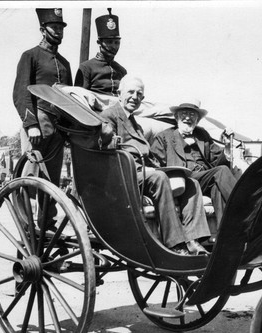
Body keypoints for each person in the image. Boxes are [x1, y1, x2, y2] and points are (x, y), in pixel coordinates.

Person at [99, 76, 210, 255]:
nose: (135, 97)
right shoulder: (109, 116)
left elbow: (148, 154)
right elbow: (105, 146)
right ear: (119, 94)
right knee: (159, 177)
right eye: (131, 92)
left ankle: (192, 240)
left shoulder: (136, 124)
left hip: (142, 171)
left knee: (191, 183)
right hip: (122, 172)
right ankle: (175, 243)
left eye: (139, 94)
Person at [13, 8, 72, 225]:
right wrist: (31, 125)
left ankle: (46, 227)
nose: (58, 32)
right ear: (42, 29)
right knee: (30, 178)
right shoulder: (30, 56)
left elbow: (69, 99)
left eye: (61, 28)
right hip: (38, 124)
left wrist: (67, 131)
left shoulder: (64, 63)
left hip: (57, 130)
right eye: (54, 28)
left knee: (51, 183)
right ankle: (26, 226)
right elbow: (21, 93)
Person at [150, 99, 237, 228]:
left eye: (192, 115)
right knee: (222, 170)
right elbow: (156, 164)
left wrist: (228, 147)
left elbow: (217, 160)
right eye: (184, 113)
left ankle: (224, 238)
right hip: (184, 179)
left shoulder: (202, 135)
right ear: (176, 117)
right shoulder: (164, 137)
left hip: (205, 179)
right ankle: (245, 206)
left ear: (197, 119)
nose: (187, 118)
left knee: (217, 189)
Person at [74, 9, 127, 96]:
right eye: (109, 42)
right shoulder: (87, 68)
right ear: (99, 43)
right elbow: (79, 98)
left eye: (116, 42)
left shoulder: (122, 71)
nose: (114, 46)